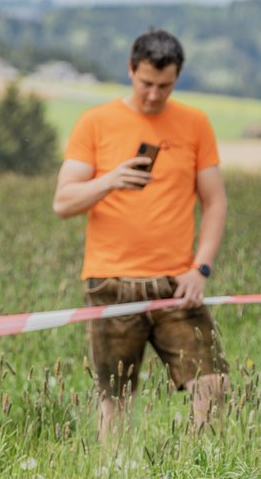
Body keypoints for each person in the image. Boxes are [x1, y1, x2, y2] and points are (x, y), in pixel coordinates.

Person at [52, 28, 229, 441]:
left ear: (177, 77)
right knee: (115, 400)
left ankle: (198, 467)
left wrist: (201, 268)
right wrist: (110, 180)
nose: (153, 95)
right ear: (131, 70)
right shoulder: (95, 122)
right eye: (146, 83)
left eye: (164, 86)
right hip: (111, 282)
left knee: (213, 385)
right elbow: (63, 202)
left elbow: (215, 202)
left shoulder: (195, 123)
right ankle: (112, 475)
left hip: (177, 284)